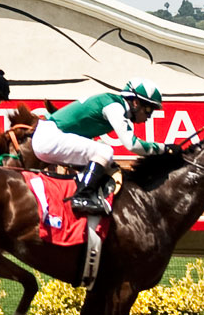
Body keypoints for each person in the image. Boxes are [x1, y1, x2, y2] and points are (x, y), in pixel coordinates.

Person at [29, 81, 165, 217]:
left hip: (48, 138)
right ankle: (82, 196)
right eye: (149, 110)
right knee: (105, 151)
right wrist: (164, 148)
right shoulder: (114, 106)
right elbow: (132, 145)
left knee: (103, 160)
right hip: (49, 138)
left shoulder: (112, 103)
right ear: (135, 102)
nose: (149, 116)